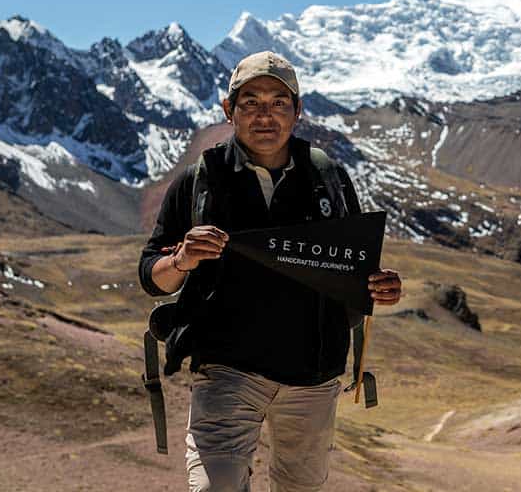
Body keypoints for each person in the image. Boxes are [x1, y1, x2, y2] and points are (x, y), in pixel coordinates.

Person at [138, 50, 403, 492]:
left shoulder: (328, 177)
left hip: (313, 378)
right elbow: (152, 275)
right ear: (229, 110)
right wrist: (182, 259)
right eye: (251, 103)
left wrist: (381, 286)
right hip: (225, 370)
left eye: (279, 103)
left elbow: (355, 271)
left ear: (298, 111)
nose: (266, 116)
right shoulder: (200, 178)